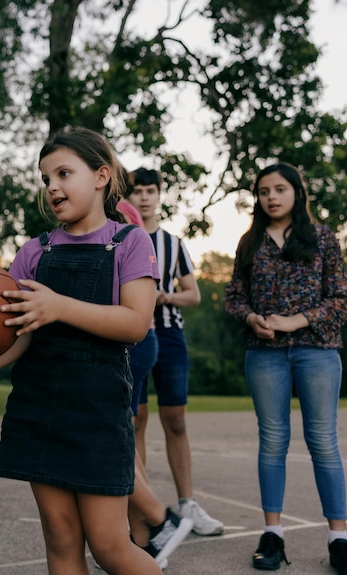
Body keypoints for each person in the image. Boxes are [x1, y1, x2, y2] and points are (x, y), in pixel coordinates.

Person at [0, 126, 162, 575]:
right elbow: (20, 337)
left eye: (63, 173)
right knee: (60, 540)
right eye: (45, 178)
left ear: (101, 176)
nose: (52, 186)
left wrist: (58, 305)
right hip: (38, 407)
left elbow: (134, 323)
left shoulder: (129, 242)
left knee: (111, 547)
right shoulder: (34, 252)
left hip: (97, 410)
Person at [223, 163, 347, 574]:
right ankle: (273, 536)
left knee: (323, 440)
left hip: (316, 350)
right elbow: (234, 297)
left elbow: (343, 298)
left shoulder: (321, 238)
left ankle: (339, 540)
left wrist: (295, 320)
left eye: (280, 189)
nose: (271, 196)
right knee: (272, 441)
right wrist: (251, 318)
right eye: (264, 190)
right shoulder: (249, 242)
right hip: (264, 354)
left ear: (296, 193)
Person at [125, 168, 224, 536]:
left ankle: (188, 505)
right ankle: (144, 514)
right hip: (130, 334)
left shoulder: (172, 243)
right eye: (138, 191)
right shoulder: (121, 237)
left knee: (176, 420)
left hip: (168, 334)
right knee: (135, 421)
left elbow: (193, 294)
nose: (145, 197)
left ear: (159, 195)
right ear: (128, 197)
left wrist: (163, 295)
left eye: (151, 191)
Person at [117, 199, 193, 570]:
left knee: (115, 436)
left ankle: (161, 521)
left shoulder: (122, 214)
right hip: (130, 341)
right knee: (124, 436)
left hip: (134, 341)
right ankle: (145, 538)